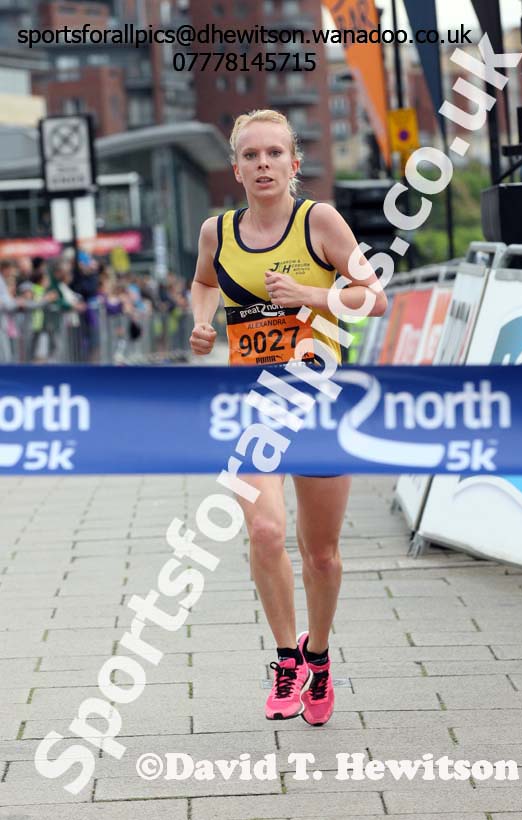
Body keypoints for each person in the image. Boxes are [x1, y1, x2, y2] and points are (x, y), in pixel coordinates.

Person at [189, 109, 387, 726]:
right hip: (254, 406)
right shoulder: (216, 232)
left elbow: (374, 298)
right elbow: (201, 283)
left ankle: (319, 655)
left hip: (322, 404)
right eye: (251, 155)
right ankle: (285, 658)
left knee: (321, 554)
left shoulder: (318, 221)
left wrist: (314, 297)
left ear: (294, 164)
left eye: (275, 153)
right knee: (266, 533)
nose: (264, 164)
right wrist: (199, 321)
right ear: (236, 168)